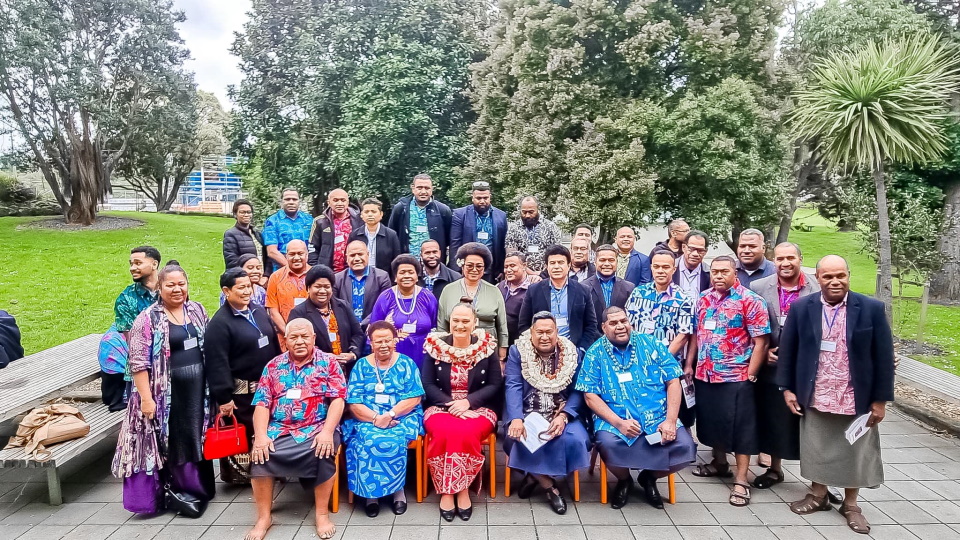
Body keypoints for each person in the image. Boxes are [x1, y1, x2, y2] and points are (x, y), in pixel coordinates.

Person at [777, 255, 894, 535]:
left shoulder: (871, 309)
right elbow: (788, 351)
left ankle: (851, 504)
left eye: (840, 275)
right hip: (816, 393)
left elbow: (883, 357)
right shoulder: (802, 308)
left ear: (848, 275)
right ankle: (818, 495)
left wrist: (880, 401)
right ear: (818, 278)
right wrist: (787, 388)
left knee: (854, 452)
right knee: (817, 447)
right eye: (828, 276)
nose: (835, 281)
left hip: (856, 397)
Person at [113, 264, 215, 515]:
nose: (177, 289)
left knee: (194, 435)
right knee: (172, 441)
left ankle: (200, 489)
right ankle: (177, 491)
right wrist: (146, 400)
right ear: (159, 287)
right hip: (163, 396)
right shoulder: (148, 318)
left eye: (181, 283)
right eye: (171, 285)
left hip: (197, 392)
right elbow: (137, 363)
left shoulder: (197, 310)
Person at [577, 307, 697, 509]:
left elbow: (673, 382)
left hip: (657, 416)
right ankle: (624, 480)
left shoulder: (651, 343)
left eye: (623, 321)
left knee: (686, 447)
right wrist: (619, 423)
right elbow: (589, 395)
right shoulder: (595, 352)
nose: (620, 326)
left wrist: (669, 420)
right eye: (613, 323)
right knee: (608, 443)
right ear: (604, 327)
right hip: (615, 419)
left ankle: (649, 478)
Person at [247, 318, 346, 540]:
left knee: (323, 451)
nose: (299, 341)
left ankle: (321, 514)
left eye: (304, 337)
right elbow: (262, 404)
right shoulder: (273, 366)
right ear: (285, 340)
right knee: (261, 454)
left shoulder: (328, 363)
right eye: (294, 337)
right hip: (280, 428)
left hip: (317, 426)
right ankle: (264, 517)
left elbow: (338, 400)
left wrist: (328, 432)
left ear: (313, 338)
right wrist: (261, 436)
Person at [688, 255, 770, 508]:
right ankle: (719, 463)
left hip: (736, 376)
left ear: (735, 273)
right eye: (714, 272)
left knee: (741, 428)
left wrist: (752, 373)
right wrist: (690, 364)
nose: (719, 276)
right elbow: (695, 335)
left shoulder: (750, 301)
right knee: (712, 423)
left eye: (724, 271)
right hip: (706, 374)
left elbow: (761, 341)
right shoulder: (703, 299)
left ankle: (742, 479)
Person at [422, 304, 503, 522]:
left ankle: (463, 489)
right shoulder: (435, 346)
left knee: (465, 432)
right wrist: (451, 404)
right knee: (446, 431)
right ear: (449, 321)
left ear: (474, 322)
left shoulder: (486, 347)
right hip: (441, 406)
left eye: (465, 321)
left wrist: (468, 402)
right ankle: (448, 491)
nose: (460, 325)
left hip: (479, 408)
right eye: (456, 320)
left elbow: (495, 384)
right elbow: (428, 384)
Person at [504, 312, 590, 515]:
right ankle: (549, 485)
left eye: (549, 332)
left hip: (561, 411)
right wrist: (516, 418)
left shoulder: (573, 353)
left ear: (557, 333)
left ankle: (533, 476)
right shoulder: (518, 351)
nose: (544, 337)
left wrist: (565, 415)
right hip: (526, 412)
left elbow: (579, 389)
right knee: (517, 437)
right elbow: (513, 385)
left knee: (575, 439)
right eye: (539, 332)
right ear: (531, 333)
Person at [749, 242, 820, 487]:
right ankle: (774, 470)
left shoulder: (817, 288)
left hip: (808, 367)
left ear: (800, 259)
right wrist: (762, 351)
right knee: (775, 418)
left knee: (812, 423)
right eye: (780, 258)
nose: (785, 263)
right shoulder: (758, 287)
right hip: (772, 365)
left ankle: (819, 480)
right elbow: (750, 325)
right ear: (773, 260)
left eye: (791, 258)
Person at [204, 268, 282, 484]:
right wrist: (224, 397)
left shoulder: (257, 311)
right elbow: (216, 363)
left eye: (249, 286)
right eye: (241, 287)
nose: (247, 291)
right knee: (246, 433)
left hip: (267, 387)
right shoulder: (219, 324)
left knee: (267, 428)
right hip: (241, 392)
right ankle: (249, 477)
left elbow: (273, 343)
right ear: (226, 291)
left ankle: (272, 468)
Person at [343, 322, 425, 517]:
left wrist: (390, 415)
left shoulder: (406, 363)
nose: (384, 345)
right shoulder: (361, 366)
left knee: (394, 437)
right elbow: (353, 403)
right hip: (367, 418)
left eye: (388, 340)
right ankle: (371, 496)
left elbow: (415, 397)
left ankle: (398, 492)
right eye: (378, 341)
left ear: (395, 341)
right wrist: (376, 418)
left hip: (403, 416)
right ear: (371, 343)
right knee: (367, 438)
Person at [625, 249, 695, 427]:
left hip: (667, 364)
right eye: (656, 266)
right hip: (637, 361)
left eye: (666, 267)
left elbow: (683, 335)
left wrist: (657, 359)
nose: (661, 271)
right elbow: (628, 326)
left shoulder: (683, 299)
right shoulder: (638, 293)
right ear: (651, 268)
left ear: (673, 269)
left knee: (666, 409)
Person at [106, 246, 162, 411]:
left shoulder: (170, 289)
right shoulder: (126, 298)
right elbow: (134, 343)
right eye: (131, 264)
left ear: (154, 264)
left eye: (138, 263)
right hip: (143, 367)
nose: (132, 268)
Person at [518, 245, 600, 351]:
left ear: (569, 265)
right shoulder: (533, 290)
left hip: (574, 350)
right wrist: (535, 348)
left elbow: (591, 325)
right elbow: (523, 325)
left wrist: (581, 349)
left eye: (561, 262)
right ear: (546, 266)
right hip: (541, 351)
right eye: (552, 263)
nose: (556, 267)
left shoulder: (583, 290)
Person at [438, 243, 509, 361]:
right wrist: (442, 350)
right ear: (462, 266)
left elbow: (502, 325)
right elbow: (441, 325)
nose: (474, 270)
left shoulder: (494, 291)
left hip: (488, 351)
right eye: (470, 265)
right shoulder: (448, 290)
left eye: (479, 266)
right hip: (454, 350)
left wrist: (502, 356)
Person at [289, 265, 364, 377]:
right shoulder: (298, 313)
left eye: (327, 287)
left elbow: (358, 334)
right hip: (315, 372)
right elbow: (297, 343)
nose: (323, 291)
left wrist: (352, 354)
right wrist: (324, 357)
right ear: (308, 288)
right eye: (318, 286)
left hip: (346, 370)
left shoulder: (343, 306)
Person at [370, 255, 439, 367]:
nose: (407, 276)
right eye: (402, 272)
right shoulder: (385, 297)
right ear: (395, 277)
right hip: (392, 358)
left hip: (424, 357)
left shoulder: (428, 297)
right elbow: (373, 330)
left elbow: (436, 327)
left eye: (411, 272)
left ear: (417, 276)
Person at [449, 181, 508, 281]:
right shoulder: (460, 215)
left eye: (485, 198)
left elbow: (503, 246)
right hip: (467, 269)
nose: (482, 201)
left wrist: (502, 270)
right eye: (478, 198)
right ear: (472, 197)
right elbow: (455, 244)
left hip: (491, 270)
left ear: (490, 197)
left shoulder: (501, 216)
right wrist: (456, 270)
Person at [388, 173, 453, 264]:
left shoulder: (443, 210)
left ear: (432, 189)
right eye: (419, 188)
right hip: (407, 262)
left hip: (433, 262)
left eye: (427, 188)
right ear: (413, 188)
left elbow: (449, 238)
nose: (423, 191)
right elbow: (392, 235)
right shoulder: (401, 208)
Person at [334, 241, 392, 326]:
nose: (357, 259)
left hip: (373, 327)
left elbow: (384, 306)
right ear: (346, 258)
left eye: (360, 254)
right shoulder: (337, 279)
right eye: (352, 255)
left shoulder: (382, 277)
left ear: (368, 255)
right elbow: (335, 307)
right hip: (346, 328)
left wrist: (363, 324)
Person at [583, 244, 635, 334]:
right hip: (593, 339)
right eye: (602, 260)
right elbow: (583, 319)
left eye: (611, 260)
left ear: (617, 262)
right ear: (595, 262)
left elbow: (631, 319)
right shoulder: (584, 287)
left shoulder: (629, 288)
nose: (607, 264)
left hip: (621, 338)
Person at [308, 188, 363, 272]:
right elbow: (312, 248)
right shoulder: (320, 222)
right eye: (335, 200)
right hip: (328, 271)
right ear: (329, 202)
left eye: (343, 200)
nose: (339, 203)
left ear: (347, 202)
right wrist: (316, 269)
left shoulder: (359, 219)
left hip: (353, 270)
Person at [265, 240, 311, 338]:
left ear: (307, 255)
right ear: (286, 256)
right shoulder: (275, 277)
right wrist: (289, 334)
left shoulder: (315, 275)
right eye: (292, 254)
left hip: (313, 336)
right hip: (285, 336)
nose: (296, 258)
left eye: (300, 254)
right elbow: (273, 311)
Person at [504, 196, 563, 273]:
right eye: (524, 212)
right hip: (521, 275)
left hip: (547, 274)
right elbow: (511, 255)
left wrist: (542, 273)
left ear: (538, 210)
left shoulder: (550, 226)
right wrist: (531, 274)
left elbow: (557, 252)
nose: (527, 215)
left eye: (531, 212)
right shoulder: (513, 228)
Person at [262, 188, 313, 274]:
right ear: (281, 202)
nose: (291, 202)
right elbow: (272, 251)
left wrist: (306, 269)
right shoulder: (272, 221)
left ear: (299, 201)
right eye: (287, 199)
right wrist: (292, 268)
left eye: (294, 199)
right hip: (282, 271)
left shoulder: (309, 220)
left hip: (307, 271)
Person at [347, 198, 401, 276]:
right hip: (360, 277)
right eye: (366, 212)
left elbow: (397, 261)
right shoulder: (355, 235)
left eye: (373, 211)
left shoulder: (391, 235)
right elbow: (349, 259)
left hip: (384, 278)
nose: (370, 214)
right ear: (362, 215)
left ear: (381, 214)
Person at [498, 251, 535, 345]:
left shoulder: (533, 288)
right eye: (506, 267)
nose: (508, 270)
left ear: (524, 266)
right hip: (501, 340)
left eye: (512, 265)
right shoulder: (499, 287)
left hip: (523, 342)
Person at [223, 199, 265, 270]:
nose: (246, 215)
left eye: (249, 212)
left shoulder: (257, 234)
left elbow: (266, 257)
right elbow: (231, 261)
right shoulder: (230, 234)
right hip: (244, 277)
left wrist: (266, 276)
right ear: (235, 214)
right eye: (242, 212)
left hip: (261, 275)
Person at [673, 230, 711, 300]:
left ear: (705, 252)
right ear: (683, 247)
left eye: (700, 250)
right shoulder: (670, 268)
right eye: (691, 249)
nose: (695, 254)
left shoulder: (710, 273)